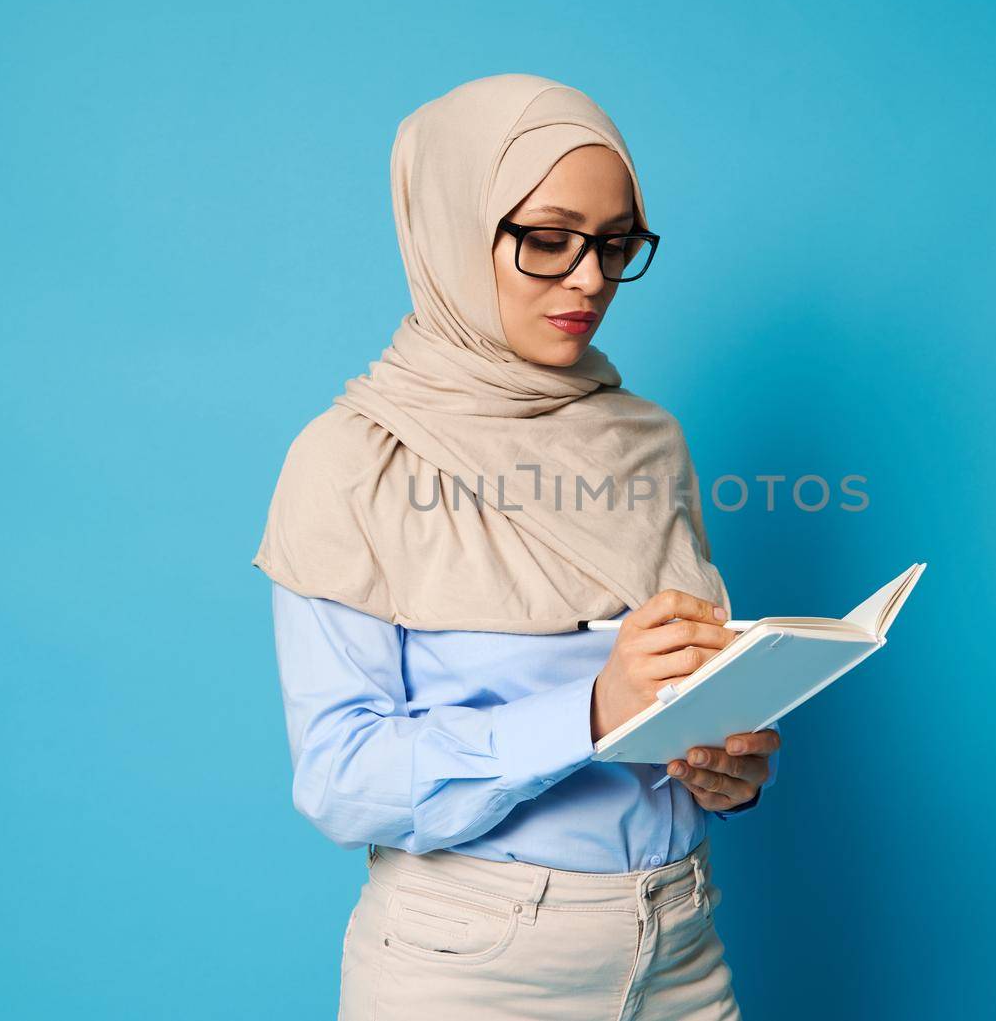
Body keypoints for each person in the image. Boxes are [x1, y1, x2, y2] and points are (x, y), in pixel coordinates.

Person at [253, 72, 781, 1020]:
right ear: (458, 227)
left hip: (682, 945)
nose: (589, 278)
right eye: (547, 239)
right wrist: (586, 711)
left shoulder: (647, 439)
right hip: (474, 966)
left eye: (615, 245)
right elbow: (339, 776)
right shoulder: (351, 459)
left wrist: (725, 770)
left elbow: (681, 705)